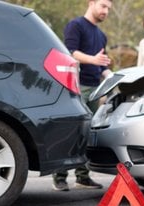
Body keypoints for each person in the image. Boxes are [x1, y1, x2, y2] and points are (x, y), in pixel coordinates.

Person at [52, 0, 113, 191]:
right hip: (75, 87)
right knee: (70, 131)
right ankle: (60, 176)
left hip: (95, 89)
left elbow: (102, 66)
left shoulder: (101, 36)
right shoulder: (76, 25)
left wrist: (110, 76)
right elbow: (69, 52)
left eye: (109, 9)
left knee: (87, 134)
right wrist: (93, 60)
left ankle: (82, 177)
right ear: (91, 3)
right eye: (103, 6)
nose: (106, 11)